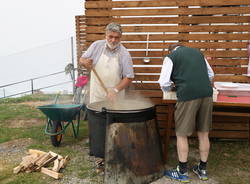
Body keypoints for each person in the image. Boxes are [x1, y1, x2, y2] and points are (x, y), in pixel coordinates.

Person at [158, 44, 214, 183]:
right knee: (203, 133)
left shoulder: (171, 57)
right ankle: (202, 170)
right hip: (207, 94)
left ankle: (182, 172)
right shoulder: (198, 53)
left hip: (187, 95)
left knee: (181, 134)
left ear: (171, 50)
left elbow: (164, 82)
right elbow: (211, 75)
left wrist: (171, 87)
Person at [79, 22, 134, 103]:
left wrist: (115, 90)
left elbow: (129, 77)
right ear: (106, 35)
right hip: (97, 96)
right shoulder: (96, 46)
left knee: (114, 115)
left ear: (120, 37)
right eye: (110, 37)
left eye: (117, 38)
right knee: (97, 115)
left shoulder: (124, 53)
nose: (113, 40)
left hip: (115, 98)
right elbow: (81, 59)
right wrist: (85, 62)